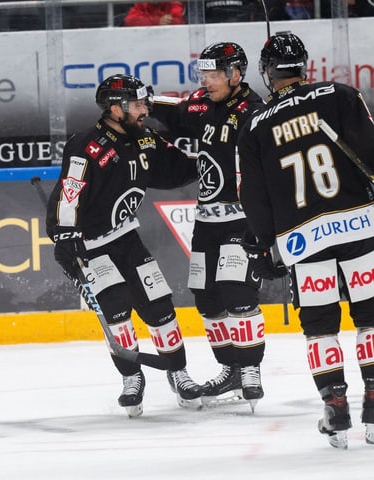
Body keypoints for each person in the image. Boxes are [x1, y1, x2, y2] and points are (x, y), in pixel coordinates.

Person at [237, 32, 374, 448]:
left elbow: (253, 195)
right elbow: (373, 152)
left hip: (303, 241)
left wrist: (266, 244)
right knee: (373, 315)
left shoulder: (255, 125)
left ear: (267, 73)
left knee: (320, 326)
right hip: (358, 226)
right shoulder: (339, 95)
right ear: (304, 66)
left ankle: (334, 407)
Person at [46, 74, 202, 417]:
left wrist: (207, 162)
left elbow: (172, 169)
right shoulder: (86, 146)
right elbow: (68, 195)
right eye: (138, 105)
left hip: (126, 236)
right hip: (92, 245)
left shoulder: (143, 138)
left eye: (145, 103)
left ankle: (179, 372)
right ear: (115, 109)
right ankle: (132, 378)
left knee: (159, 305)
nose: (145, 109)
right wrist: (65, 237)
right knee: (116, 310)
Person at [151, 42, 269, 411]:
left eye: (215, 74)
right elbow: (173, 110)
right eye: (204, 74)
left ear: (236, 74)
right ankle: (231, 368)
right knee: (207, 296)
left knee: (237, 292)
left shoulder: (257, 112)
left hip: (243, 218)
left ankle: (250, 369)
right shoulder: (202, 103)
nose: (207, 80)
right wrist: (139, 100)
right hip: (206, 220)